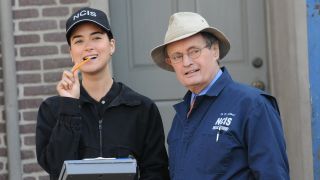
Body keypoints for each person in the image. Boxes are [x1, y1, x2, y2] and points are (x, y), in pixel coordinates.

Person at [150, 12, 290, 180]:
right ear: (171, 63)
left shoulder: (253, 105)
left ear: (215, 50)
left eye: (194, 51)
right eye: (177, 56)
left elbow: (272, 175)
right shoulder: (181, 116)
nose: (186, 62)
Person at [36, 7, 170, 180]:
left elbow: (156, 172)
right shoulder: (52, 109)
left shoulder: (143, 108)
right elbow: (55, 168)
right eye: (79, 41)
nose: (88, 47)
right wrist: (69, 107)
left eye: (96, 38)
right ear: (71, 53)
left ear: (111, 45)